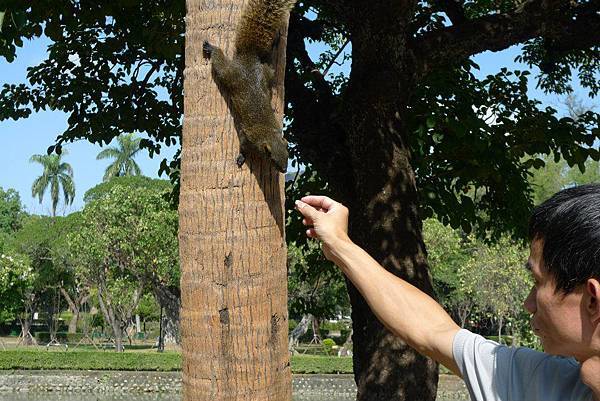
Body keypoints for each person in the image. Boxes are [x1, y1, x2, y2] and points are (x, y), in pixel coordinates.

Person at [294, 183, 600, 401]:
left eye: (537, 282)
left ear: (593, 300)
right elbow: (431, 330)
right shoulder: (545, 383)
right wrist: (338, 244)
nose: (528, 303)